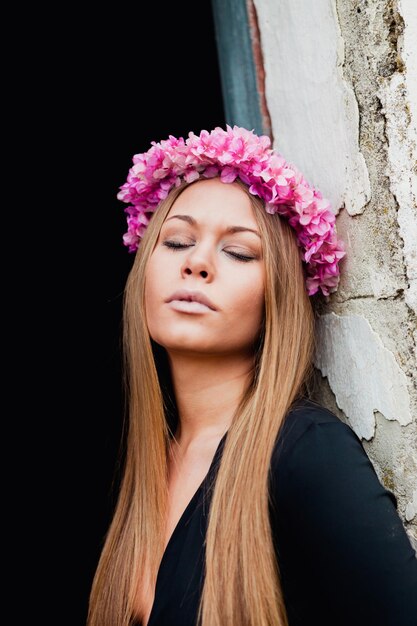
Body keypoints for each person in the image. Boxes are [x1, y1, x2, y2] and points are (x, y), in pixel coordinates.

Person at [87, 125, 417, 626]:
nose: (197, 262)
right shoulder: (149, 459)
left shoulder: (307, 452)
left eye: (238, 252)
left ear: (277, 298)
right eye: (176, 241)